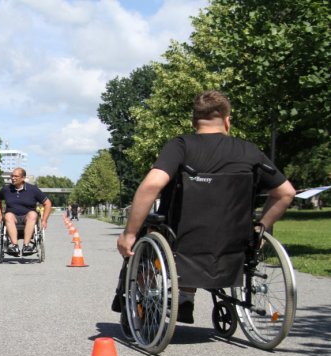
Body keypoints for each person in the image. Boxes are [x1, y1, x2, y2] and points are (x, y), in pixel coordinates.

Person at [116, 90, 295, 323]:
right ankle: (185, 298)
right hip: (233, 240)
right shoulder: (249, 151)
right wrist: (260, 228)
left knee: (143, 235)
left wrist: (129, 233)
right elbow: (286, 193)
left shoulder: (181, 146)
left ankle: (149, 301)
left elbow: (151, 186)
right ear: (227, 120)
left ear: (194, 121)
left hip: (182, 240)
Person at [0, 167, 52, 256]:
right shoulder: (6, 189)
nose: (13, 178)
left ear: (23, 178)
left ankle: (26, 246)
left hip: (28, 218)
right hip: (13, 217)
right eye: (12, 176)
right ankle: (15, 246)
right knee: (8, 215)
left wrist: (44, 220)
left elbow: (47, 203)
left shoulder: (33, 189)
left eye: (16, 176)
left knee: (33, 214)